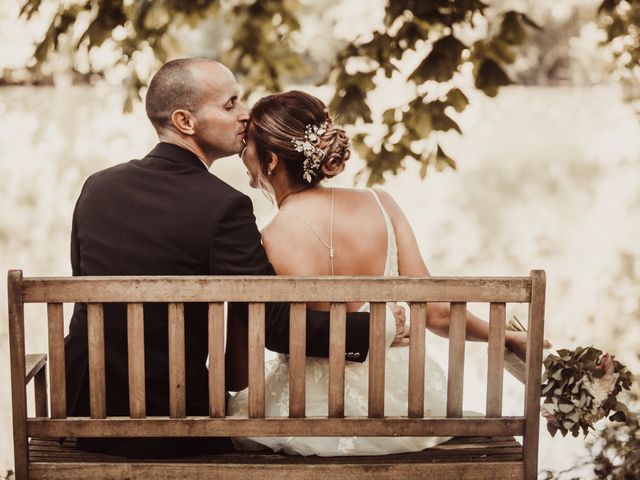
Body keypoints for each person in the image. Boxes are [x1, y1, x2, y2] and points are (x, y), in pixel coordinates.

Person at [63, 59, 375, 458]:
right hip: (177, 421)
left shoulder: (96, 187)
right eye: (229, 105)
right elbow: (275, 325)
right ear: (185, 121)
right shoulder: (223, 206)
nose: (245, 113)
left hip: (87, 414)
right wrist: (373, 328)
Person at [228, 90, 535, 455]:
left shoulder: (267, 237)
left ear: (272, 160)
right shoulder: (380, 204)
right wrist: (505, 337)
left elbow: (239, 373)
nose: (241, 154)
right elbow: (435, 313)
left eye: (246, 145)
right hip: (403, 405)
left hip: (308, 412)